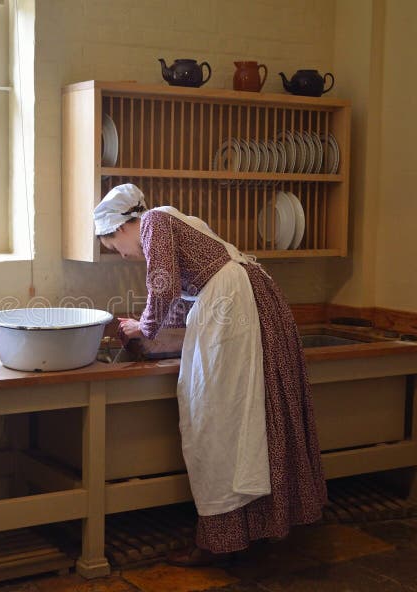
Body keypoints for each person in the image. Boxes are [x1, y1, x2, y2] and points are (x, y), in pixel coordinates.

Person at [93, 183, 327, 566]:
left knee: (217, 420)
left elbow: (164, 284)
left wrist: (144, 328)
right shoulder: (173, 219)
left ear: (119, 228)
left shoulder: (153, 222)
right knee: (252, 416)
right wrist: (147, 326)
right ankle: (262, 528)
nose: (123, 256)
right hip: (249, 303)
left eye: (115, 248)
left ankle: (227, 538)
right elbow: (182, 294)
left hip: (236, 312)